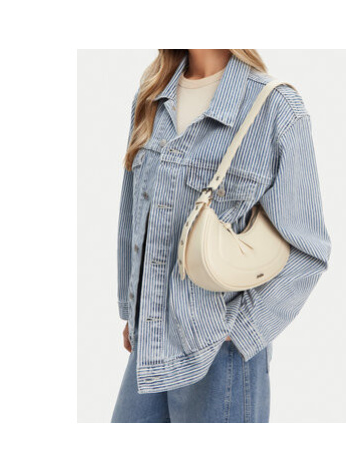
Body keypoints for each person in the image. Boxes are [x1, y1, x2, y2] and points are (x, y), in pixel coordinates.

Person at [111, 49, 331, 423]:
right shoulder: (152, 95)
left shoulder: (275, 109)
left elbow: (309, 249)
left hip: (219, 352)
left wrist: (240, 330)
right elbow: (130, 214)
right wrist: (131, 309)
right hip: (149, 343)